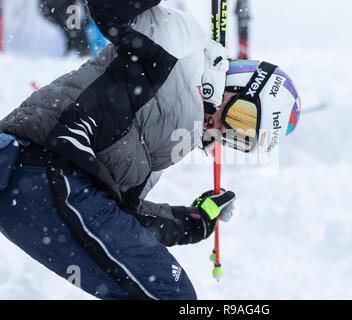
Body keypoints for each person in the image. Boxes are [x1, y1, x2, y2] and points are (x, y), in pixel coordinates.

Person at [0, 0, 301, 300]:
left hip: (34, 193)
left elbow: (123, 216)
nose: (225, 129)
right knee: (171, 295)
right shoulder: (185, 44)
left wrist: (193, 221)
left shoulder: (177, 138)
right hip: (46, 161)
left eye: (241, 138)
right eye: (240, 117)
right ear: (243, 80)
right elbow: (109, 10)